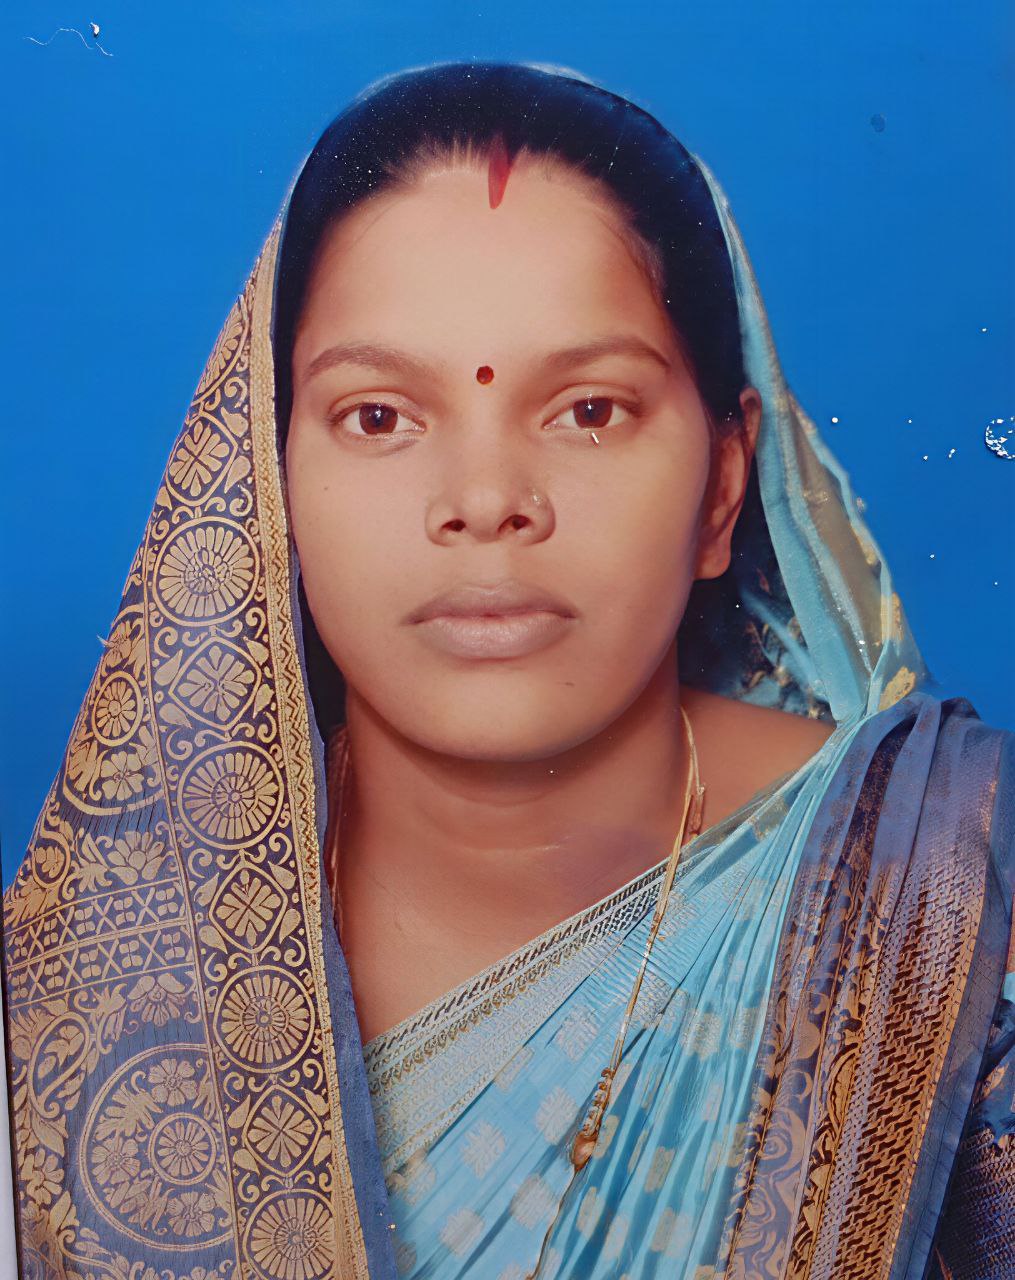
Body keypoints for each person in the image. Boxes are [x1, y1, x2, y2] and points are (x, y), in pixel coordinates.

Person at [1, 61, 1011, 1280]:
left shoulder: (948, 897)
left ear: (721, 488)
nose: (485, 501)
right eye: (379, 416)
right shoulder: (85, 1000)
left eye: (589, 410)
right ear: (267, 489)